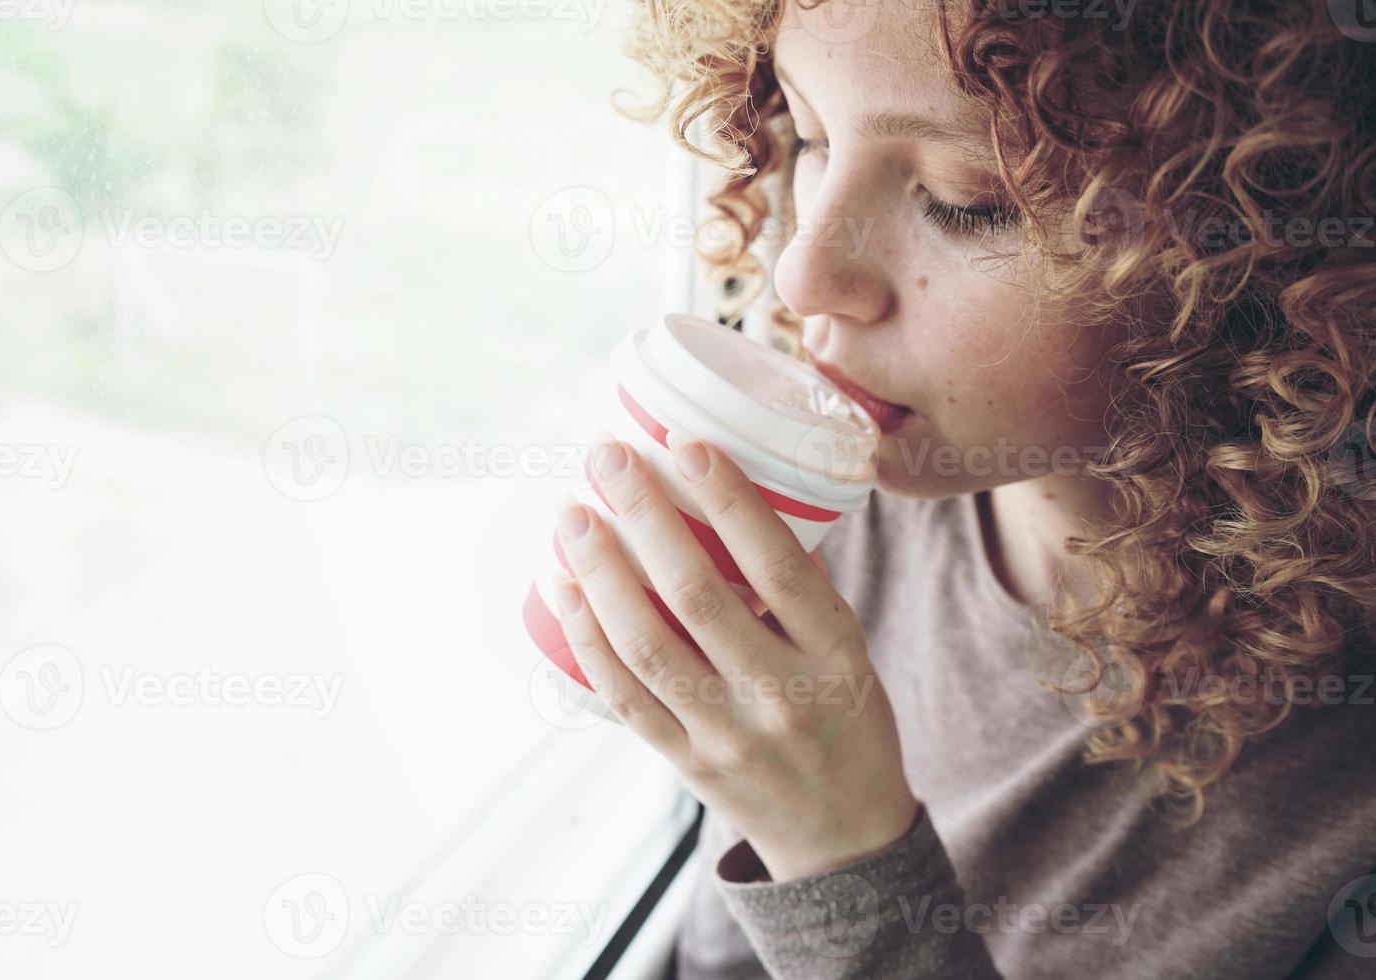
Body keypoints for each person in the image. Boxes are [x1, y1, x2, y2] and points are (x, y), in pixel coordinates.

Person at [549, 1, 1376, 976]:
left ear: (1250, 254)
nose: (803, 272)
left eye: (966, 198)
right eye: (812, 136)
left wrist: (839, 851)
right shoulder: (840, 516)